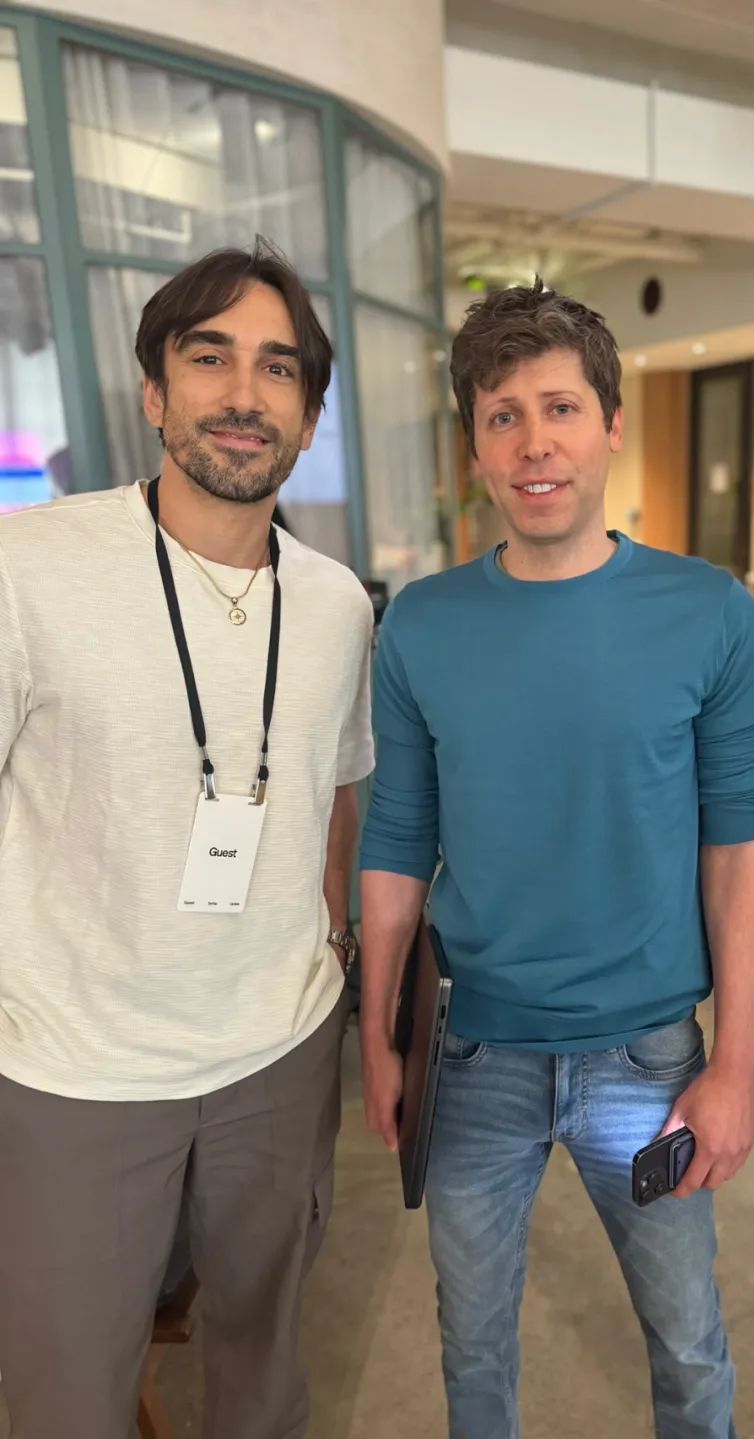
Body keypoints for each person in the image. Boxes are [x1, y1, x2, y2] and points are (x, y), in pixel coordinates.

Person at [359, 278, 754, 1439]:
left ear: (610, 424)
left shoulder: (707, 610)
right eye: (503, 415)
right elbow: (397, 838)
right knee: (473, 1346)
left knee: (688, 1346)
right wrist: (381, 1035)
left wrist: (734, 1063)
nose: (533, 442)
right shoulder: (423, 623)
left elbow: (740, 838)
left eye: (560, 408)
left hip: (648, 1055)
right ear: (475, 445)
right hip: (472, 1054)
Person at [0, 240, 373, 1439]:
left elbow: (334, 791)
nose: (244, 393)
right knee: (67, 1396)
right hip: (76, 1068)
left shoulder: (337, 602)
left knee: (264, 1374)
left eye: (279, 368)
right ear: (155, 392)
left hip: (280, 1051)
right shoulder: (29, 567)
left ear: (308, 417)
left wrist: (335, 954)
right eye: (210, 357)